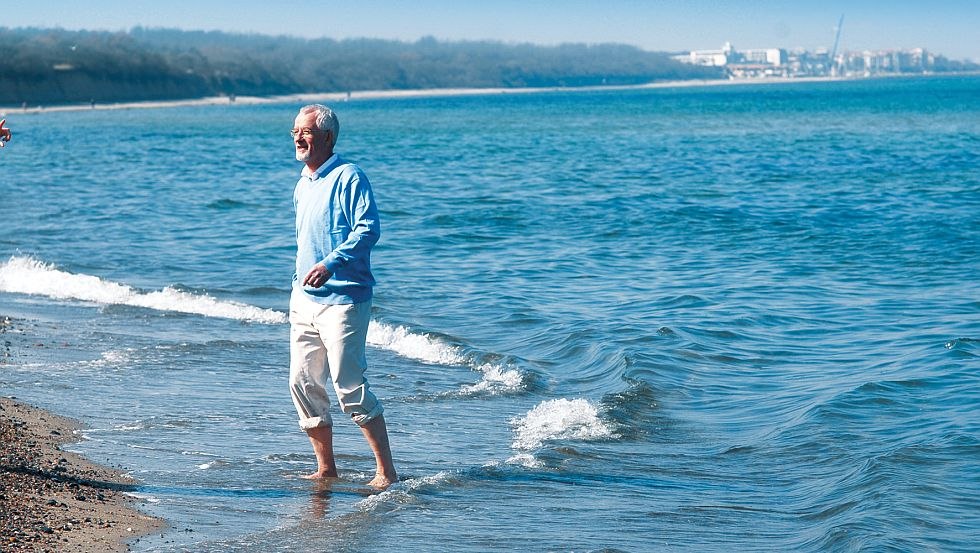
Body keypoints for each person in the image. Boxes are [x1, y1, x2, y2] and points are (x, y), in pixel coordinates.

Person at [287, 104, 397, 489]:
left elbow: (368, 229)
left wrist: (331, 264)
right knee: (302, 383)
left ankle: (386, 472)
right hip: (303, 299)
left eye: (306, 132)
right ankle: (326, 469)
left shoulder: (350, 176)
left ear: (327, 137)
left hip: (345, 299)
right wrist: (300, 278)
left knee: (349, 385)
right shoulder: (303, 182)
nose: (298, 138)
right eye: (294, 132)